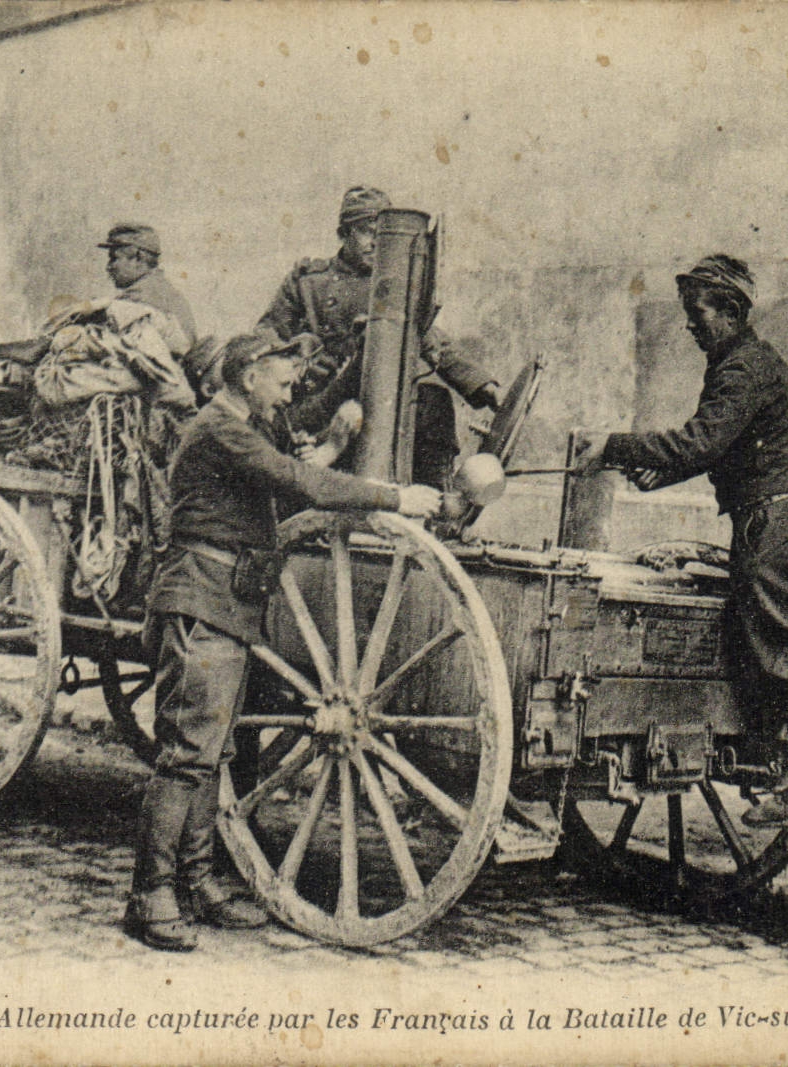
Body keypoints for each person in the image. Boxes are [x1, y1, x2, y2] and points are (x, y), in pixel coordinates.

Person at [126, 333, 442, 952]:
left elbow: (298, 468)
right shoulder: (219, 427)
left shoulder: (247, 424)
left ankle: (197, 879)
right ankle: (150, 893)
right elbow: (300, 483)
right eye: (282, 376)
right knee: (188, 753)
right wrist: (395, 498)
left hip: (230, 600)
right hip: (202, 597)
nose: (291, 386)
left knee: (211, 752)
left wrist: (334, 445)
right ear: (248, 376)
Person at [573, 254, 788, 825]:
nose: (690, 325)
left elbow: (699, 443)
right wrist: (665, 472)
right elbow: (723, 447)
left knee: (785, 657)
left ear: (729, 311)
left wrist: (614, 446)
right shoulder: (750, 363)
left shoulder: (741, 369)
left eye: (697, 312)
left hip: (772, 528)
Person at [256, 185, 500, 486]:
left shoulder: (392, 288)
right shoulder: (308, 282)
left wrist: (485, 387)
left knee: (433, 402)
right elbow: (265, 338)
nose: (375, 243)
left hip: (376, 400)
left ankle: (438, 500)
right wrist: (299, 363)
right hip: (319, 405)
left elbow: (432, 341)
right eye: (366, 232)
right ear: (343, 234)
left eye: (382, 235)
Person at [99, 222, 199, 365]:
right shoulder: (167, 291)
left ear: (138, 258)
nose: (108, 267)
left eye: (114, 258)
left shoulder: (137, 300)